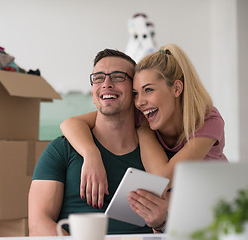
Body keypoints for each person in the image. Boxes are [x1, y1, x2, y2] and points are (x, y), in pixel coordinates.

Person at [60, 43, 227, 212]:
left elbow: (161, 178)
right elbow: (70, 123)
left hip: (217, 201)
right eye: (136, 93)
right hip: (181, 207)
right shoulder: (143, 112)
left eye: (148, 90)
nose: (139, 102)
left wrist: (144, 129)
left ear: (177, 88)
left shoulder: (207, 119)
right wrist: (91, 155)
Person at [28, 49, 168, 236]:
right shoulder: (61, 150)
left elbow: (182, 228)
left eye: (118, 77)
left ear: (135, 91)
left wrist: (161, 223)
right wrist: (91, 153)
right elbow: (38, 224)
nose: (106, 84)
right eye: (98, 77)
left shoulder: (160, 155)